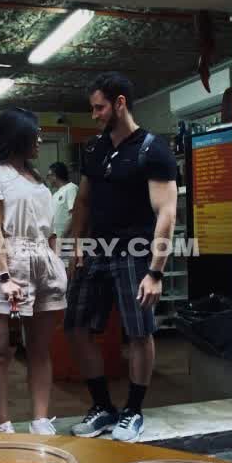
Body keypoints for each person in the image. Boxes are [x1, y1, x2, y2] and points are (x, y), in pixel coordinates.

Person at [64, 71, 178, 443]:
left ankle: (133, 410)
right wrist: (77, 245)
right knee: (76, 327)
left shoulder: (152, 149)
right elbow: (83, 202)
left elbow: (166, 213)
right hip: (97, 250)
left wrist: (156, 272)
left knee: (139, 333)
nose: (94, 115)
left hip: (136, 252)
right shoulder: (93, 150)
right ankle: (102, 407)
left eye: (99, 108)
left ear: (120, 104)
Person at [0, 108, 67, 435]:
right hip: (12, 259)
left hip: (44, 260)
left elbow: (51, 230)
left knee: (39, 350)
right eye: (35, 134)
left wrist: (58, 265)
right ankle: (3, 424)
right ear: (17, 135)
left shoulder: (37, 177)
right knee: (3, 350)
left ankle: (40, 420)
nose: (39, 139)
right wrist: (4, 277)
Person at [47, 161, 78, 241]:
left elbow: (74, 215)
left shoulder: (71, 188)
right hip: (56, 241)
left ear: (54, 175)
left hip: (67, 241)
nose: (48, 179)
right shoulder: (55, 195)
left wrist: (62, 238)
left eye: (48, 176)